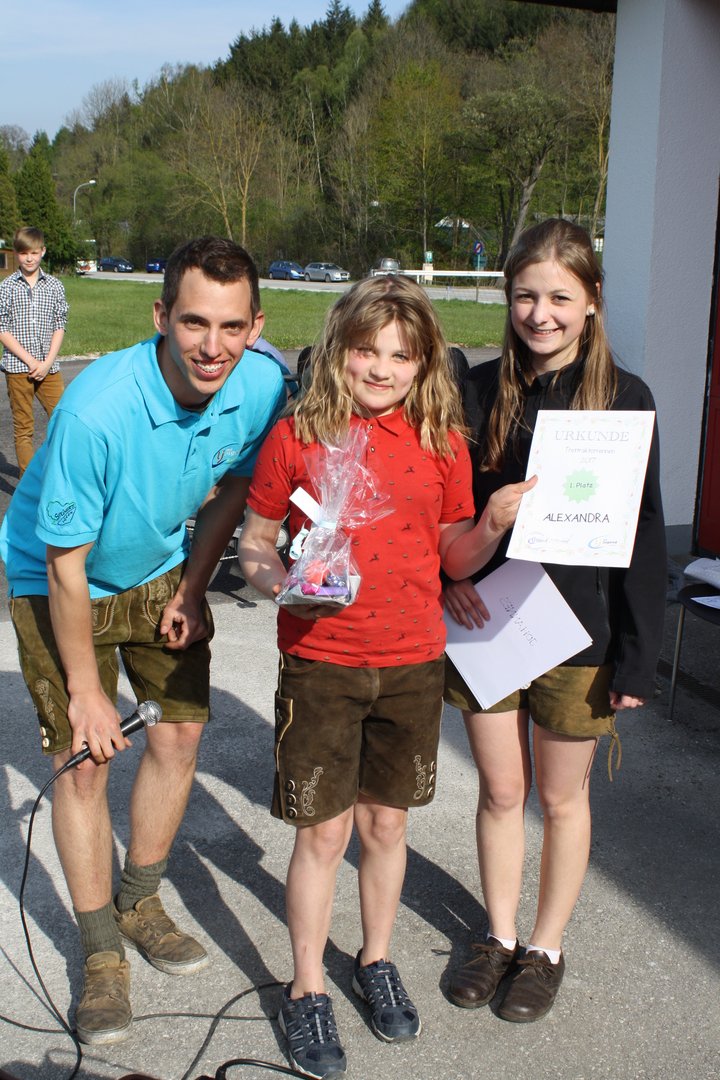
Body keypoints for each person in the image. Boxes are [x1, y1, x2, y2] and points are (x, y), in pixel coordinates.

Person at [238, 274, 533, 1079]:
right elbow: (256, 542)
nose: (381, 368)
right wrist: (281, 582)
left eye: (401, 356)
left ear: (425, 363)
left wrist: (492, 524)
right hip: (322, 663)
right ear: (339, 348)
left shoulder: (441, 442)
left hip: (411, 663)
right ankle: (306, 987)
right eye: (366, 350)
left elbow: (455, 557)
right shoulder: (297, 435)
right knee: (322, 834)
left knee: (386, 828)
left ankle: (374, 958)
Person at [0, 236, 286, 1046]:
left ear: (256, 326)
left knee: (181, 733)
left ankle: (139, 900)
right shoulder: (97, 410)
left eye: (231, 326)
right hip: (58, 577)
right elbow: (65, 563)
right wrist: (87, 691)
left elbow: (236, 485)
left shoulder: (262, 383)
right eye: (194, 322)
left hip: (160, 562)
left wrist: (193, 586)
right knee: (85, 761)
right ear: (161, 316)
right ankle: (100, 953)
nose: (212, 346)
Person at [443, 218, 666, 1023]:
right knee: (502, 791)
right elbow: (439, 510)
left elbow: (644, 531)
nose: (541, 314)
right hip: (486, 624)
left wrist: (637, 656)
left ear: (593, 300)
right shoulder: (474, 392)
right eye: (526, 296)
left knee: (562, 800)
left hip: (580, 635)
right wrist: (444, 578)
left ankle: (545, 948)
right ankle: (498, 936)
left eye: (560, 298)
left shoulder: (625, 398)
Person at [0, 227, 68, 476]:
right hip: (18, 368)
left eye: (34, 253)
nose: (29, 258)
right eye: (23, 253)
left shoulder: (54, 286)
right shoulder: (6, 287)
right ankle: (28, 484)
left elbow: (60, 324)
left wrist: (47, 362)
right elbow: (2, 328)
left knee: (64, 418)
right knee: (23, 428)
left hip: (49, 367)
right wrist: (30, 361)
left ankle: (59, 473)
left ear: (43, 252)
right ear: (16, 253)